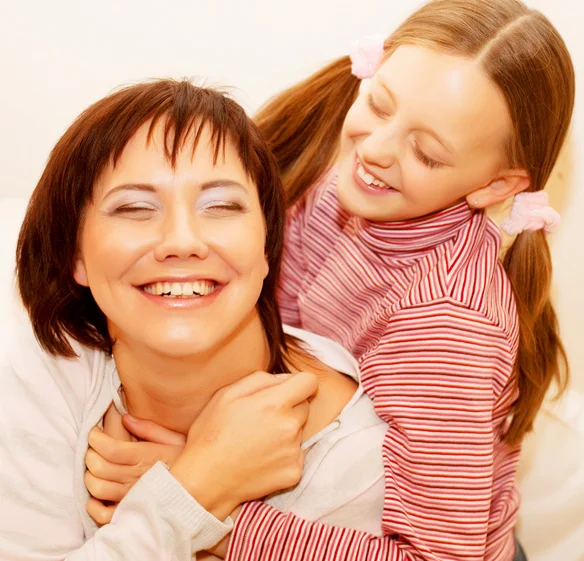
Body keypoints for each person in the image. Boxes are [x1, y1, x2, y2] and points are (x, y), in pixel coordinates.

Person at [217, 0, 574, 560]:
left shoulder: (448, 327)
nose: (375, 150)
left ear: (495, 186)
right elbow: (270, 341)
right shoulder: (338, 184)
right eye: (379, 105)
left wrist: (213, 516)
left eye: (426, 153)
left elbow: (437, 555)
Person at [0, 79, 390, 560]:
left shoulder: (356, 455)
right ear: (74, 255)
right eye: (134, 208)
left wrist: (206, 514)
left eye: (221, 205)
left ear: (266, 248)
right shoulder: (46, 367)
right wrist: (200, 484)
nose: (181, 241)